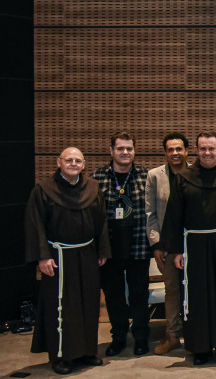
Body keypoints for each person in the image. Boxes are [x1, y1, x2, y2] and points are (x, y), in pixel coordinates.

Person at [161, 131, 216, 365]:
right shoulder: (184, 177)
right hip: (194, 248)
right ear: (196, 150)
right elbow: (174, 216)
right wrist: (177, 250)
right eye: (202, 148)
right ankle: (200, 348)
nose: (207, 153)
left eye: (211, 148)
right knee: (198, 297)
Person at [24, 147, 110, 375]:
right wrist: (43, 256)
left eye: (77, 160)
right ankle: (61, 355)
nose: (73, 163)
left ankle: (88, 351)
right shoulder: (43, 190)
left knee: (88, 304)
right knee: (62, 307)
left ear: (84, 164)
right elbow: (35, 226)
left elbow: (101, 222)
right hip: (58, 256)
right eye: (68, 160)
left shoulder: (92, 187)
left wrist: (102, 250)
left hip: (87, 253)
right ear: (58, 162)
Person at [91, 132, 150, 356]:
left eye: (129, 149)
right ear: (111, 151)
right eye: (120, 149)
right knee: (114, 296)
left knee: (139, 295)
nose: (125, 153)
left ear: (134, 151)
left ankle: (141, 338)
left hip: (138, 247)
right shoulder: (97, 178)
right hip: (109, 250)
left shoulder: (146, 176)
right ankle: (118, 337)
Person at [145, 131, 190, 355]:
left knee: (194, 290)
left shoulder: (196, 173)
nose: (175, 153)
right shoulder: (154, 176)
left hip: (193, 244)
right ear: (165, 152)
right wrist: (156, 245)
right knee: (172, 290)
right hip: (168, 246)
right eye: (170, 149)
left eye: (178, 148)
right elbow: (150, 213)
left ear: (186, 151)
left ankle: (194, 335)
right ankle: (172, 335)